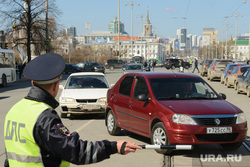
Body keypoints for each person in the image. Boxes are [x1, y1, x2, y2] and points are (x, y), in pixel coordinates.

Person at [4, 53, 142, 167]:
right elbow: (75, 151)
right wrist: (113, 147)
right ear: (56, 85)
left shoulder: (14, 110)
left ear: (32, 82)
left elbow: (9, 158)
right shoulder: (44, 117)